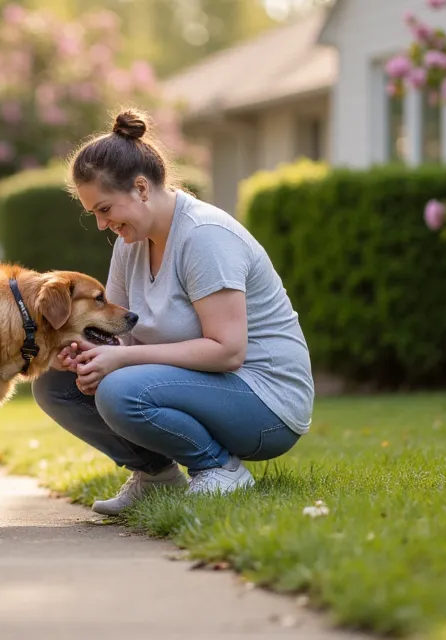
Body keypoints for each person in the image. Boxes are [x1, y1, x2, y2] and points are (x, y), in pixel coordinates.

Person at [34, 108, 315, 516]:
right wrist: (88, 354)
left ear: (142, 189)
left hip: (265, 403)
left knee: (119, 388)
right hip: (204, 386)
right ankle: (155, 476)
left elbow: (228, 351)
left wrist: (122, 358)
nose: (100, 224)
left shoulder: (204, 238)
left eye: (105, 209)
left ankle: (219, 468)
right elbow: (120, 334)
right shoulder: (129, 245)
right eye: (94, 213)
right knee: (55, 384)